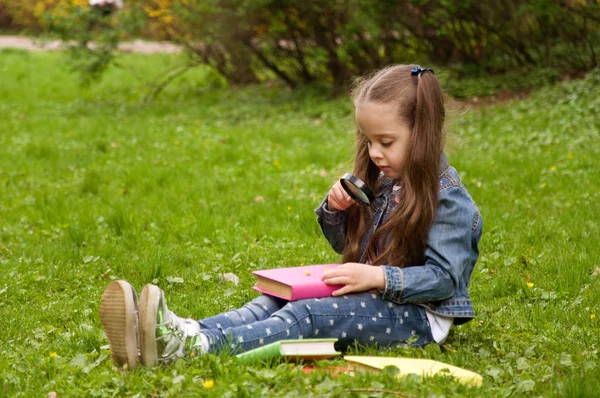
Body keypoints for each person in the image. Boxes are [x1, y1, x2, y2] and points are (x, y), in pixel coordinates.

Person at [99, 64, 483, 370]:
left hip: (418, 318)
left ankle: (196, 348)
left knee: (307, 314)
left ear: (423, 134)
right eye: (369, 140)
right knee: (271, 301)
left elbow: (444, 280)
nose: (375, 152)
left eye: (387, 142)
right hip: (370, 293)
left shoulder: (448, 201)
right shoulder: (385, 182)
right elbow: (346, 244)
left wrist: (377, 276)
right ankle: (180, 332)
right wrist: (337, 212)